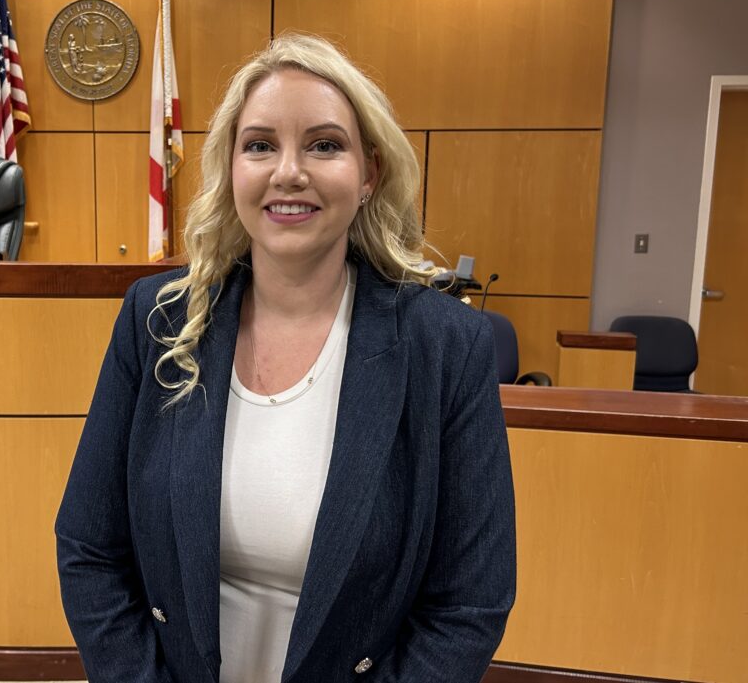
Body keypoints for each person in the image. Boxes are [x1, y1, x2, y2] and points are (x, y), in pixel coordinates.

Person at [55, 34, 515, 683]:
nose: (288, 172)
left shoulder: (445, 346)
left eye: (324, 145)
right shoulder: (156, 319)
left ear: (368, 174)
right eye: (260, 145)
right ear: (231, 168)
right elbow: (88, 546)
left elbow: (469, 603)